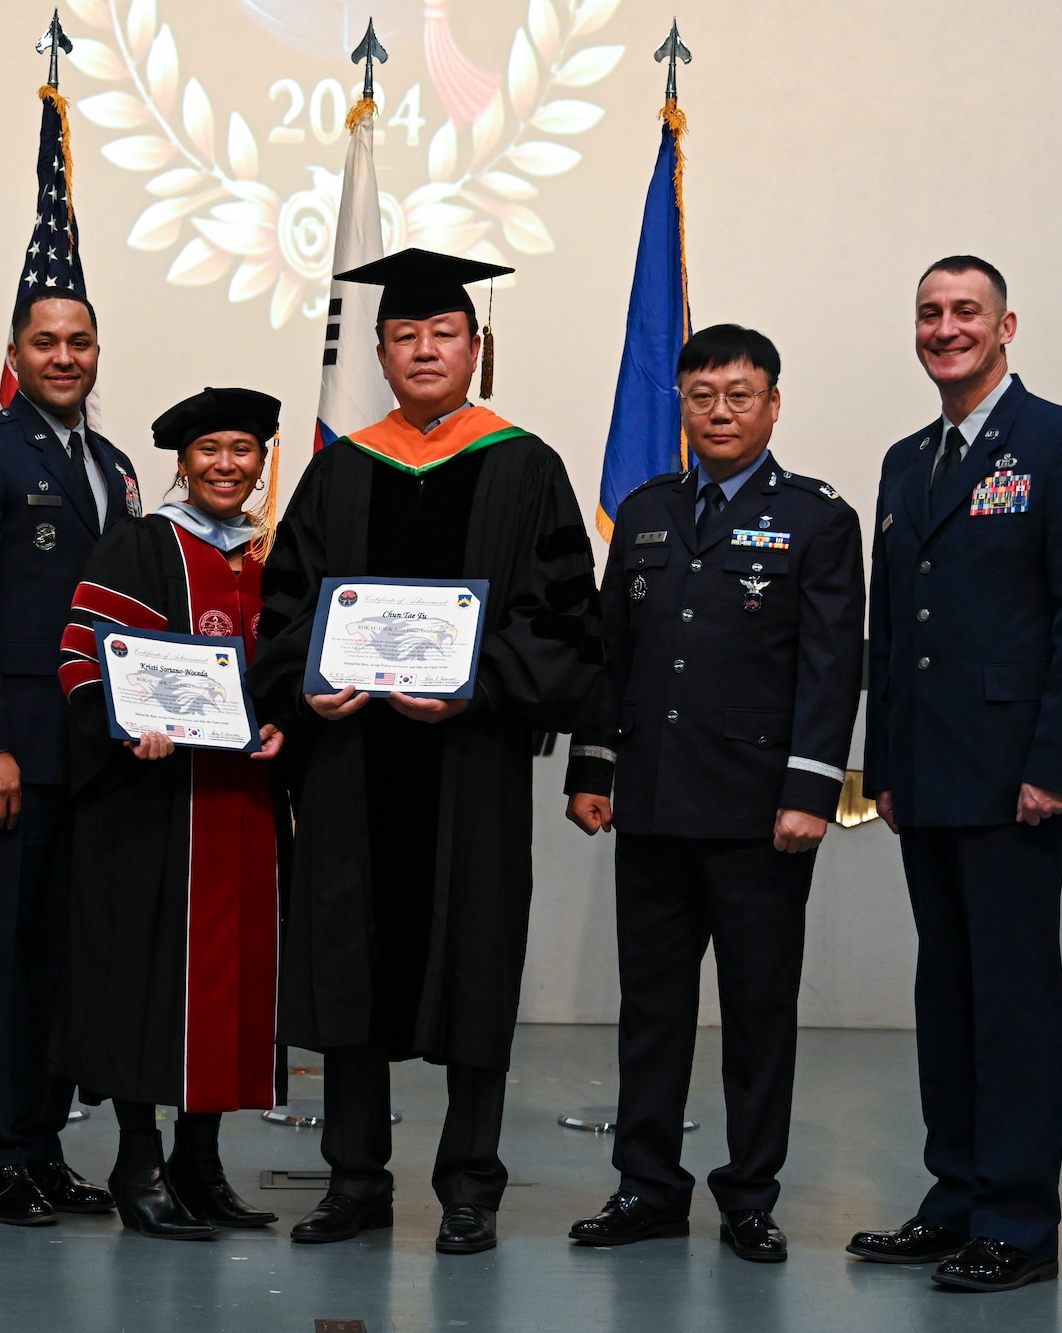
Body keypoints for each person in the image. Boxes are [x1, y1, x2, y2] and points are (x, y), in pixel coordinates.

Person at [249, 248, 604, 1256]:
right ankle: (355, 1179)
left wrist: (478, 686)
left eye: (441, 333)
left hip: (469, 767)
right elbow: (285, 605)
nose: (422, 350)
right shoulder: (342, 466)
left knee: (473, 962)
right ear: (377, 350)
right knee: (352, 962)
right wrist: (309, 680)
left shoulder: (524, 465)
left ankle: (467, 1184)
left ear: (474, 347)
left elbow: (563, 618)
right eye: (403, 335)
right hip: (351, 764)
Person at [848, 257, 1062, 1292]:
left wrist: (1058, 765)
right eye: (927, 312)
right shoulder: (902, 458)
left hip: (1015, 774)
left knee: (1009, 998)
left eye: (963, 311)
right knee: (947, 990)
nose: (943, 328)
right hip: (924, 769)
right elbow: (894, 626)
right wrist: (881, 764)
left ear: (1006, 324)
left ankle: (1015, 1220)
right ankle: (955, 1195)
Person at [560, 325, 865, 1262]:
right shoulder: (647, 511)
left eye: (740, 394)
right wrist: (592, 768)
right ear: (682, 406)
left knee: (758, 1012)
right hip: (650, 805)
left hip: (758, 814)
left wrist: (811, 790)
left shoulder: (817, 518)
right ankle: (648, 1187)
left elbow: (830, 668)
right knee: (650, 1011)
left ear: (774, 404)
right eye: (703, 396)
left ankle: (748, 1195)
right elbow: (613, 653)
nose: (721, 411)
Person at [0, 289, 140, 1226]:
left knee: (65, 963)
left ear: (98, 351)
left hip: (95, 759)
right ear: (14, 351)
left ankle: (44, 1145)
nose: (63, 356)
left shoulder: (116, 465)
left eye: (79, 341)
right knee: (0, 958)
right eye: (44, 342)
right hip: (11, 755)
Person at [55, 387, 288, 1240]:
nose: (227, 465)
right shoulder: (143, 545)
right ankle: (136, 1162)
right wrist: (128, 726)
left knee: (229, 986)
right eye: (210, 450)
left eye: (243, 449)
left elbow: (293, 671)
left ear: (263, 461)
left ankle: (201, 1160)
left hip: (242, 806)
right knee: (147, 982)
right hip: (153, 810)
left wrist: (281, 725)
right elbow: (86, 658)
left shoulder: (274, 556)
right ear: (182, 461)